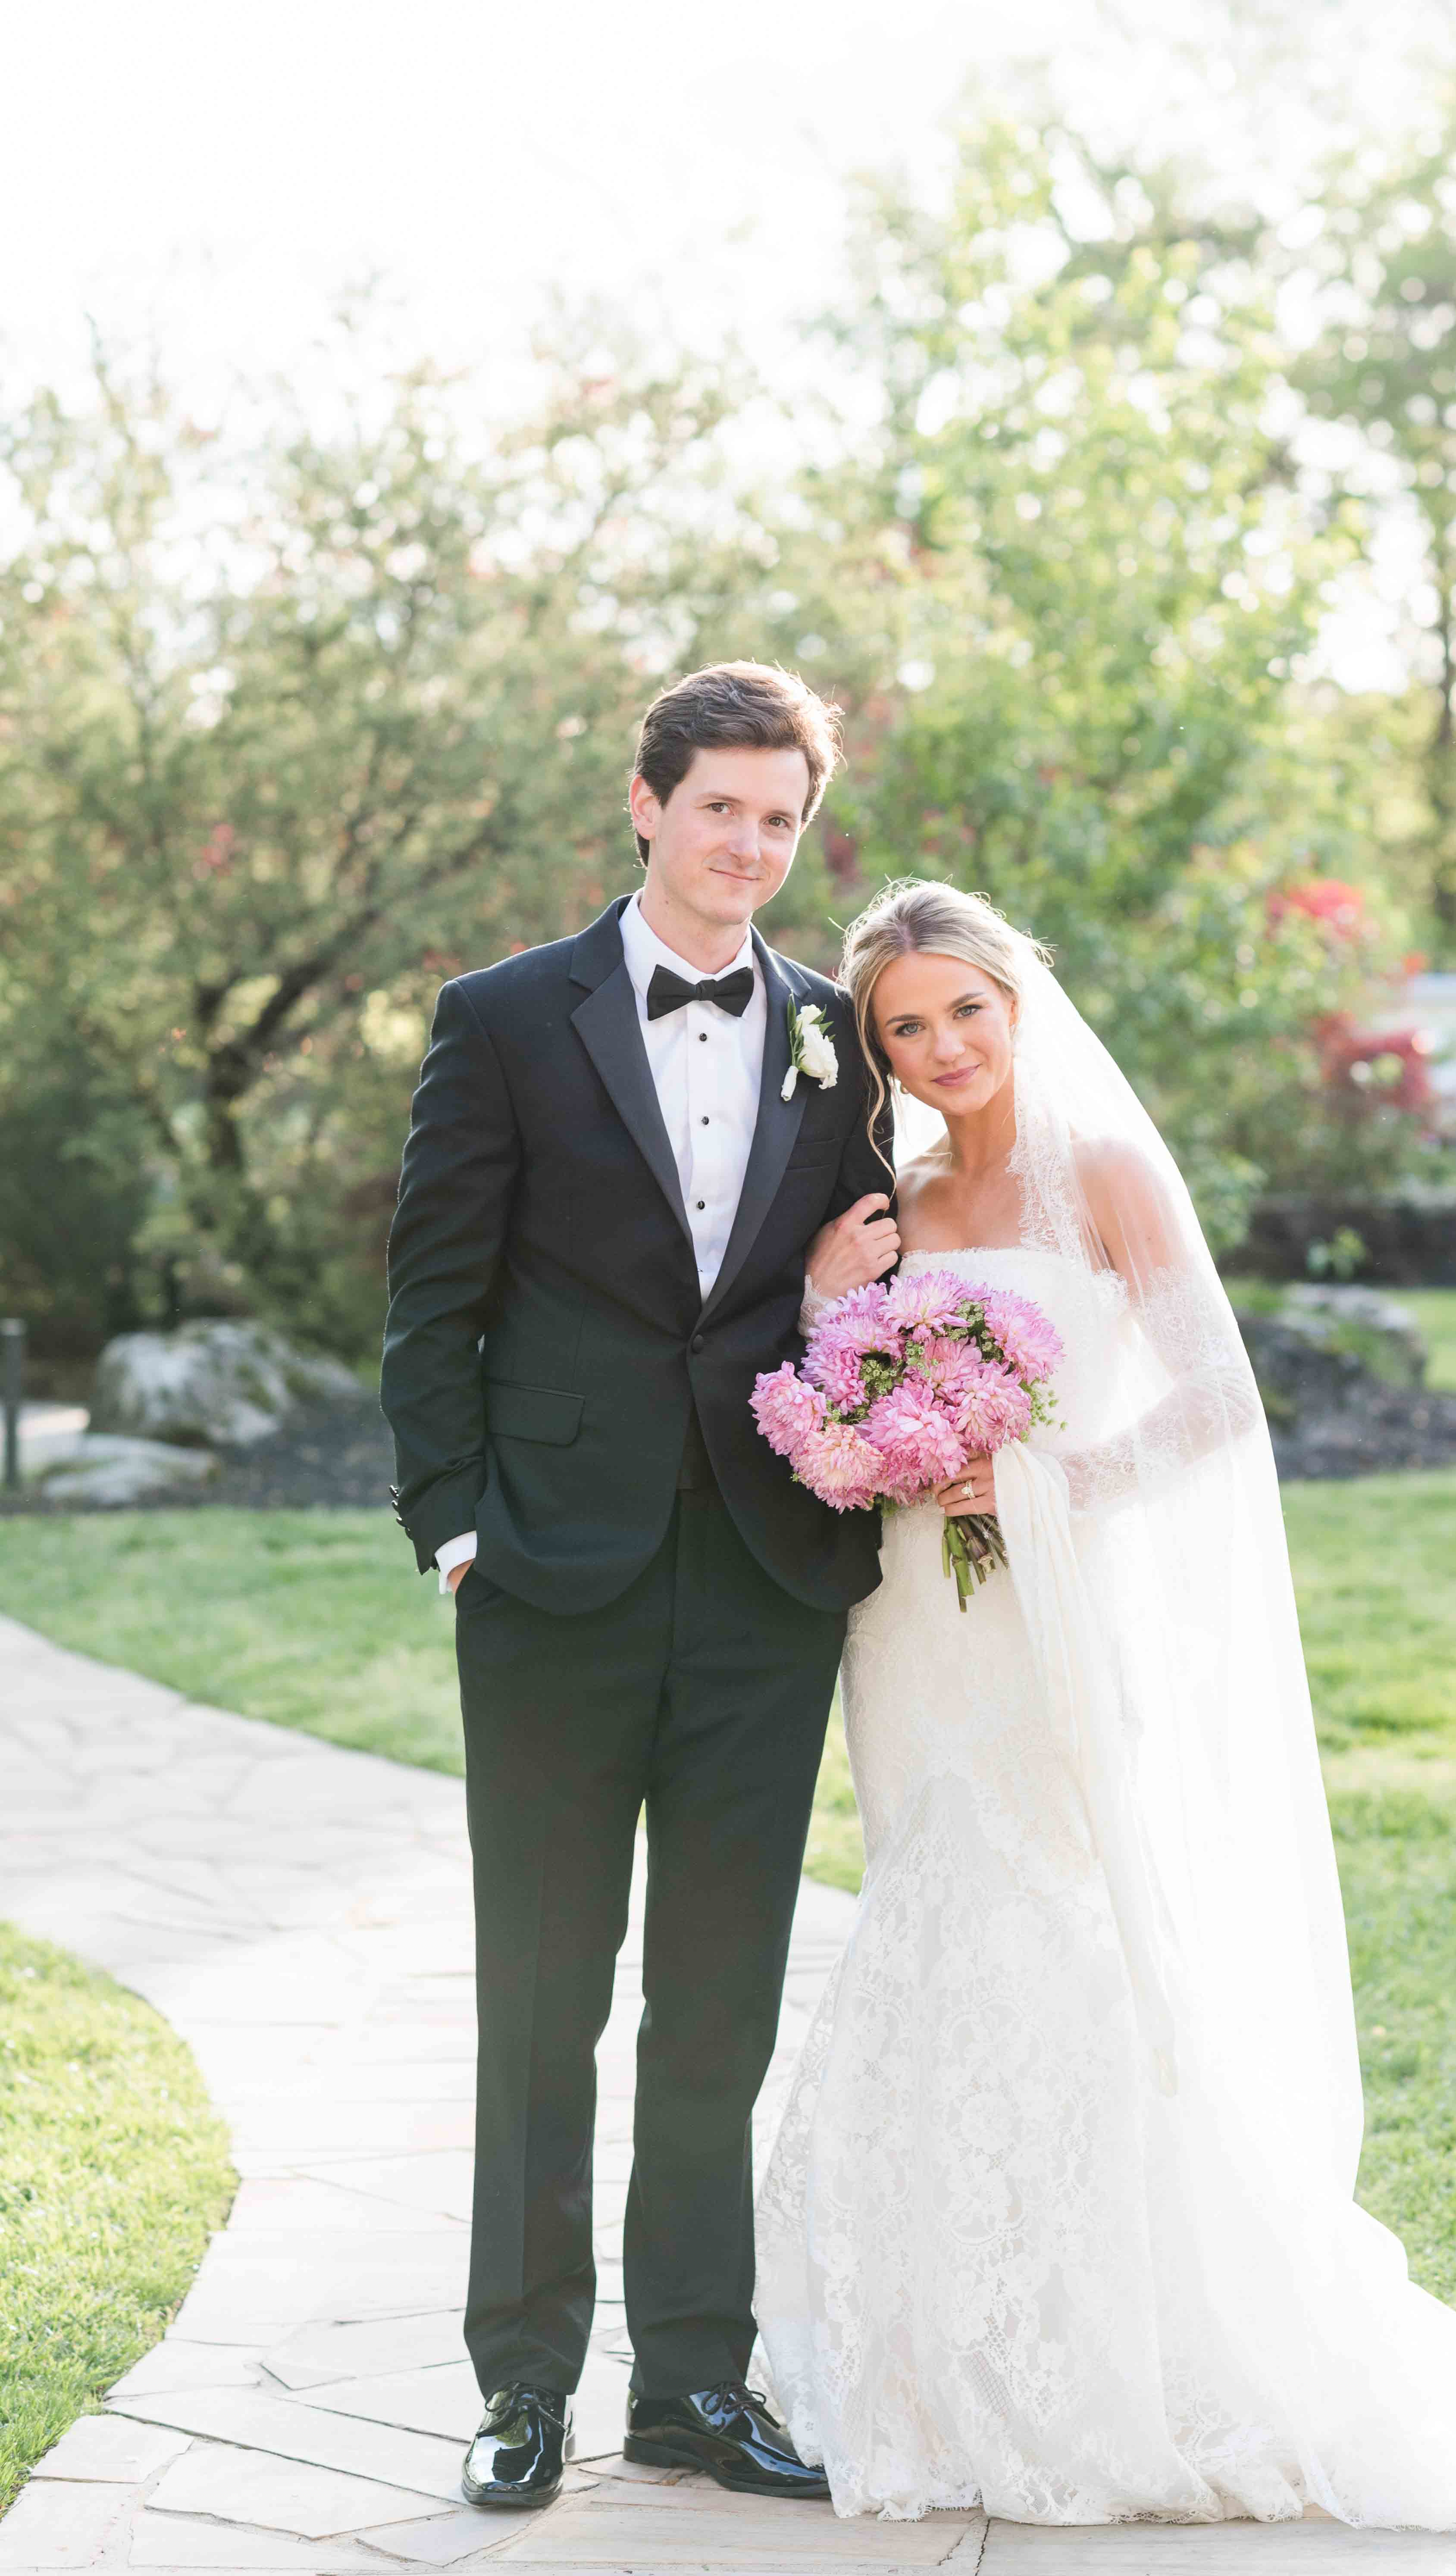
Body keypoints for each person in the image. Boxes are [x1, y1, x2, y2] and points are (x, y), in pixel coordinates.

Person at [754, 876, 1456, 2532]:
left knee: (1068, 1916)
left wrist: (1041, 1474)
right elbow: (843, 1399)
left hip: (1058, 1603)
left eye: (963, 1010)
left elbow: (1211, 1396)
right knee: (933, 1896)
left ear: (1019, 996)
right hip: (918, 1622)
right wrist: (830, 1312)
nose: (941, 1047)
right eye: (904, 1028)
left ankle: (1131, 2346)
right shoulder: (894, 1197)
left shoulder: (1108, 1170)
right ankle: (939, 2342)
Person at [381, 663, 898, 2509]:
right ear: (645, 805)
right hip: (546, 1579)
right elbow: (432, 1300)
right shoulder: (505, 1018)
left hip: (765, 1579)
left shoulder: (844, 1033)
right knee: (543, 2002)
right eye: (720, 812)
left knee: (716, 2007)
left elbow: (858, 1299)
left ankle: (689, 2384)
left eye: (781, 818)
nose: (750, 849)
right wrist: (454, 1528)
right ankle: (520, 2381)